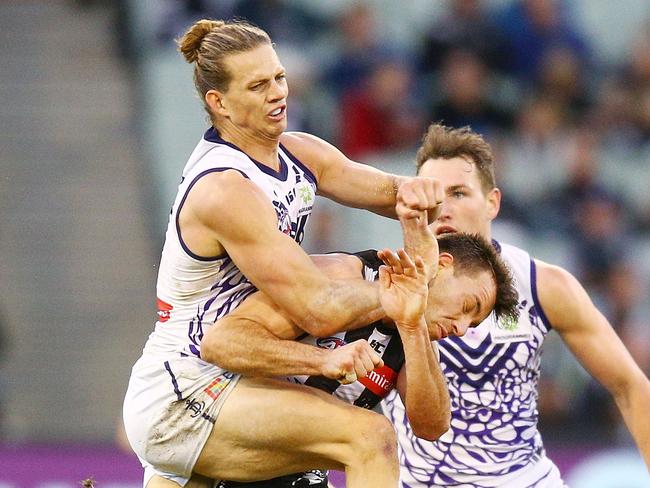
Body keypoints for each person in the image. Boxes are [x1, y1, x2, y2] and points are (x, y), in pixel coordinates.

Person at [123, 18, 442, 488]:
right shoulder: (226, 190)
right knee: (371, 438)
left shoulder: (297, 152)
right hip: (188, 386)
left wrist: (419, 193)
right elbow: (317, 309)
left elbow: (394, 193)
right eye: (257, 86)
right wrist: (398, 294)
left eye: (279, 77)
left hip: (242, 370)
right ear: (220, 103)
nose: (277, 93)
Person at [383, 123, 650, 487]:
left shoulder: (542, 285)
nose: (443, 209)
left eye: (459, 193)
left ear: (493, 202)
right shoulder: (387, 285)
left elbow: (630, 386)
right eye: (433, 195)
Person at [204, 227, 518, 488]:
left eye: (472, 325)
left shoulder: (416, 339)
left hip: (289, 472)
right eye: (467, 307)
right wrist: (320, 360)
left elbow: (432, 426)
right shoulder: (342, 275)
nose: (462, 329)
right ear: (442, 264)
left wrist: (412, 328)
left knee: (373, 440)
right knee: (375, 435)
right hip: (214, 429)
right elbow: (221, 343)